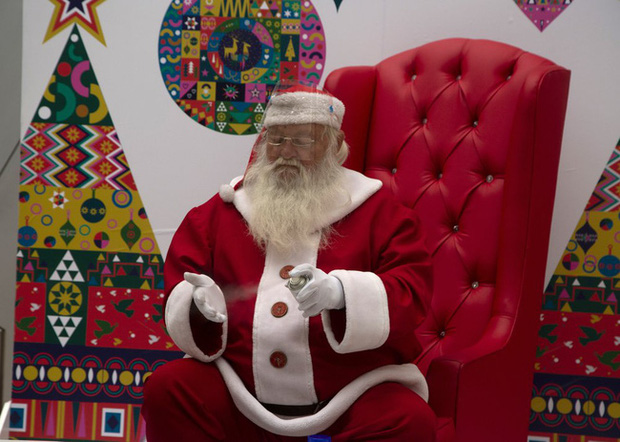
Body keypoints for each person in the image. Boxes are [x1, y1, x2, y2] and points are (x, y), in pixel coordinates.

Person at [141, 84, 437, 441]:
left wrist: (342, 294)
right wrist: (197, 306)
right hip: (239, 392)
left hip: (348, 393)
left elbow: (411, 290)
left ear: (335, 146)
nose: (285, 152)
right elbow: (183, 280)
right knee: (169, 388)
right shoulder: (222, 212)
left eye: (302, 141)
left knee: (406, 420)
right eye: (276, 140)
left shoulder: (382, 215)